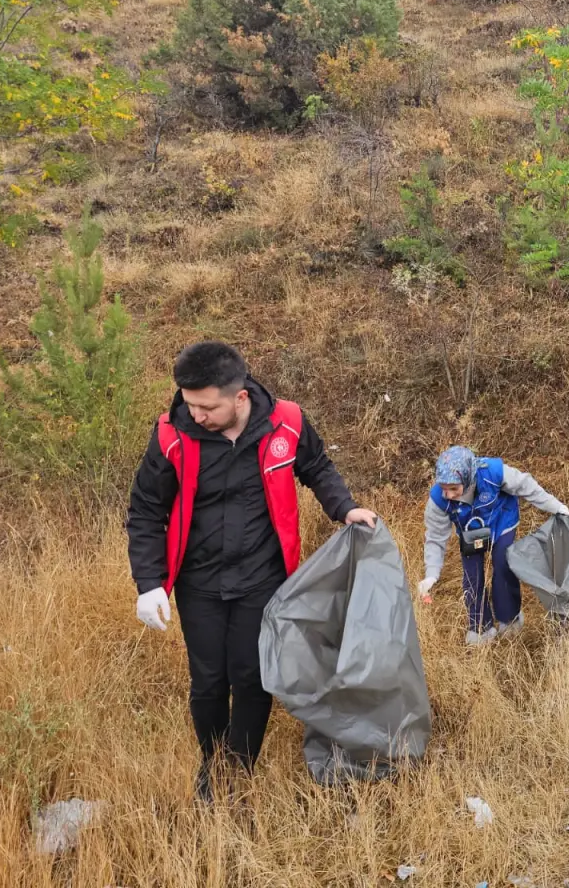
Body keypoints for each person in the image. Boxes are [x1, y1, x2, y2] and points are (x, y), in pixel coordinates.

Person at [127, 342, 377, 802]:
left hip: (265, 578)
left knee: (251, 676)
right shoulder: (171, 436)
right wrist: (149, 584)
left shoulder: (287, 422)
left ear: (239, 397)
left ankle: (236, 772)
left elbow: (317, 467)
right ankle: (212, 761)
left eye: (207, 406)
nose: (195, 414)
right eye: (188, 403)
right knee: (207, 680)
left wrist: (346, 509)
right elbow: (145, 510)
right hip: (198, 582)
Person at [418, 445, 569, 645]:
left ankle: (509, 620)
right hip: (471, 531)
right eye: (444, 489)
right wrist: (431, 574)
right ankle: (481, 628)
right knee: (472, 578)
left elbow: (528, 488)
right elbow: (435, 538)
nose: (449, 495)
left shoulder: (493, 472)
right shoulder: (438, 500)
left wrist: (557, 507)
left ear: (468, 478)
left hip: (501, 520)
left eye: (454, 489)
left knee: (503, 564)